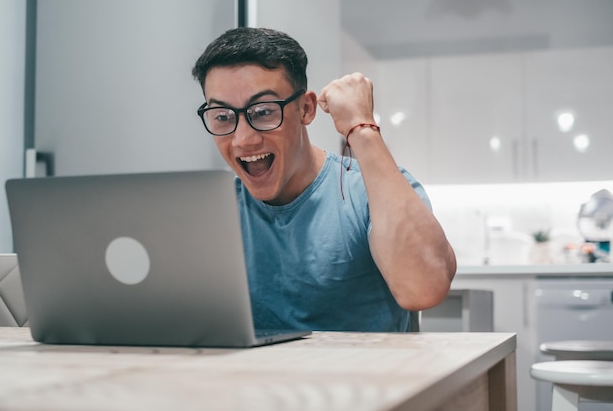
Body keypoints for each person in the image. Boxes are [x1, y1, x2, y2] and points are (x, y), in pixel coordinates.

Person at [192, 27, 456, 332]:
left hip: (371, 378)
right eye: (223, 116)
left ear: (306, 108)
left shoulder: (366, 190)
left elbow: (424, 288)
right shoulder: (214, 211)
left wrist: (362, 128)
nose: (243, 139)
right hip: (253, 379)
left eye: (263, 112)